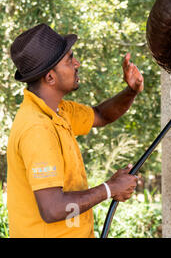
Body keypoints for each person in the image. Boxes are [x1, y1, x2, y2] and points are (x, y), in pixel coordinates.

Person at [6, 23, 143, 237]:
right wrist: (110, 188)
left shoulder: (60, 110)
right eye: (70, 60)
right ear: (50, 77)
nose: (77, 63)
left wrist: (131, 91)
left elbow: (101, 115)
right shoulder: (37, 127)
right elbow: (52, 209)